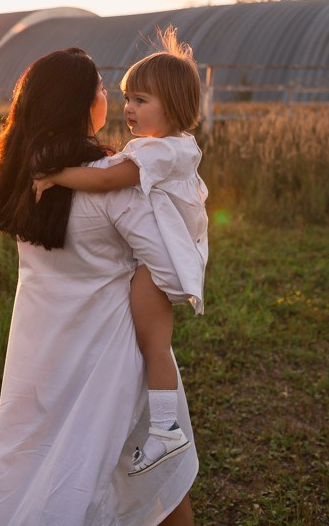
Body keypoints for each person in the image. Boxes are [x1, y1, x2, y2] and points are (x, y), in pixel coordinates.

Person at [0, 48, 197, 526]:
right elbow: (174, 278)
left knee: (38, 459)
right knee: (154, 476)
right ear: (79, 103)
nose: (111, 99)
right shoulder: (110, 185)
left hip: (40, 348)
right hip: (110, 348)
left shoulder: (27, 180)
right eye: (100, 88)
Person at [33, 29, 208, 477]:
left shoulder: (159, 151)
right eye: (128, 97)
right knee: (153, 343)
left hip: (157, 264)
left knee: (154, 344)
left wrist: (58, 175)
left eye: (142, 100)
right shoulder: (171, 147)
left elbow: (109, 181)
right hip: (160, 255)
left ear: (172, 107)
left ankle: (166, 428)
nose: (128, 108)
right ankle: (165, 424)